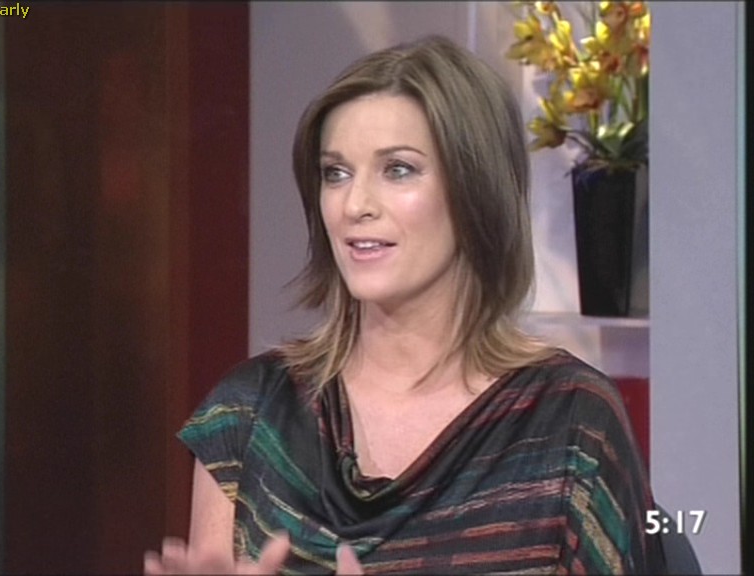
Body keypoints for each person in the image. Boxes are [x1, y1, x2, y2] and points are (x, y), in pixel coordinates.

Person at [144, 35, 666, 575]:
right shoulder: (250, 416)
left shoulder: (573, 422)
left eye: (398, 169)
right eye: (335, 173)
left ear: (476, 189)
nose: (354, 204)